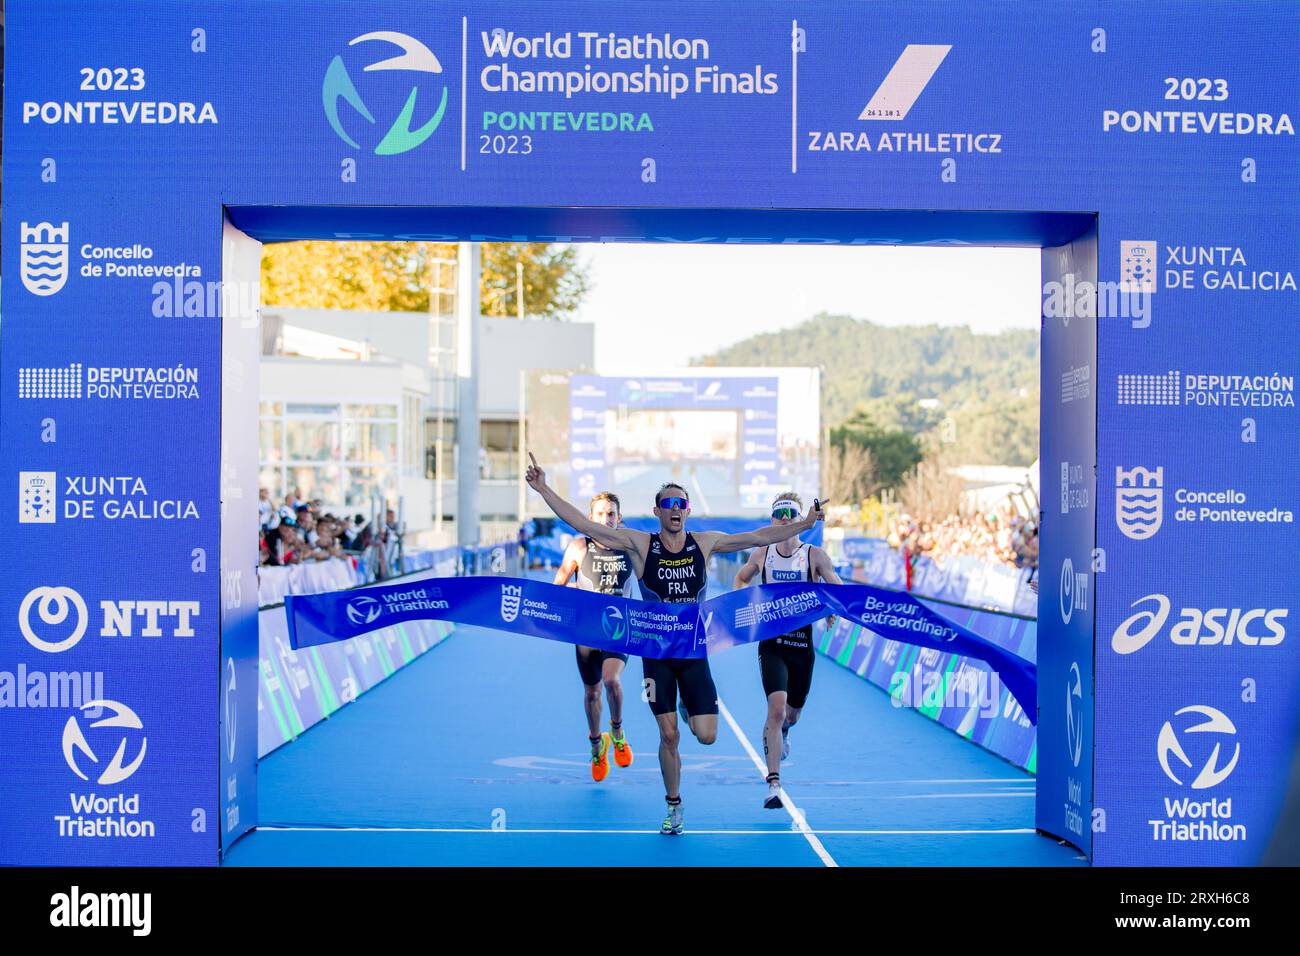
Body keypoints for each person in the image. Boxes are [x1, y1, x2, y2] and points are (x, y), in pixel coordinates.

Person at [525, 452, 824, 836]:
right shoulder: (639, 545)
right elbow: (582, 523)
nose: (675, 508)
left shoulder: (704, 543)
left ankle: (687, 706)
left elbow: (757, 536)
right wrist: (543, 488)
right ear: (657, 512)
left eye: (681, 503)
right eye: (668, 503)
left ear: (688, 510)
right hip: (656, 655)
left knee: (707, 735)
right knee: (668, 736)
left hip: (693, 652)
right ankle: (674, 806)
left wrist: (806, 524)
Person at [732, 492, 843, 809]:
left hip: (801, 646)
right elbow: (741, 579)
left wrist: (832, 607)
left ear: (800, 519)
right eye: (778, 514)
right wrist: (744, 603)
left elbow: (836, 587)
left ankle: (785, 730)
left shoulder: (814, 556)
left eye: (790, 514)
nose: (783, 520)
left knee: (791, 715)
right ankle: (774, 785)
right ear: (771, 519)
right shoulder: (762, 554)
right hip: (772, 643)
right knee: (776, 709)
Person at [553, 492, 636, 782]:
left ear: (619, 518)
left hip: (618, 629)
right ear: (590, 518)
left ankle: (617, 731)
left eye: (611, 514)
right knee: (592, 693)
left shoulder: (632, 546)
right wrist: (574, 593)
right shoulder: (579, 547)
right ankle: (596, 744)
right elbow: (558, 585)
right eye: (600, 514)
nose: (605, 519)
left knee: (612, 680)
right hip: (587, 631)